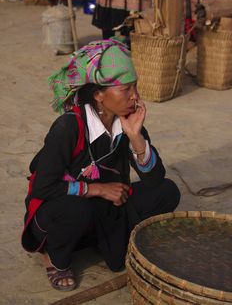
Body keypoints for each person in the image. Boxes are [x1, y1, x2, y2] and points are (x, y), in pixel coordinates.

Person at [21, 38, 180, 292]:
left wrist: (136, 138)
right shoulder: (68, 128)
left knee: (167, 191)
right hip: (63, 209)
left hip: (103, 208)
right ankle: (55, 257)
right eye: (126, 89)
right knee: (76, 210)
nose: (135, 97)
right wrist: (98, 190)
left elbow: (155, 179)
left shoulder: (126, 123)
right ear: (98, 95)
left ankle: (98, 237)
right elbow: (42, 188)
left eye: (135, 87)